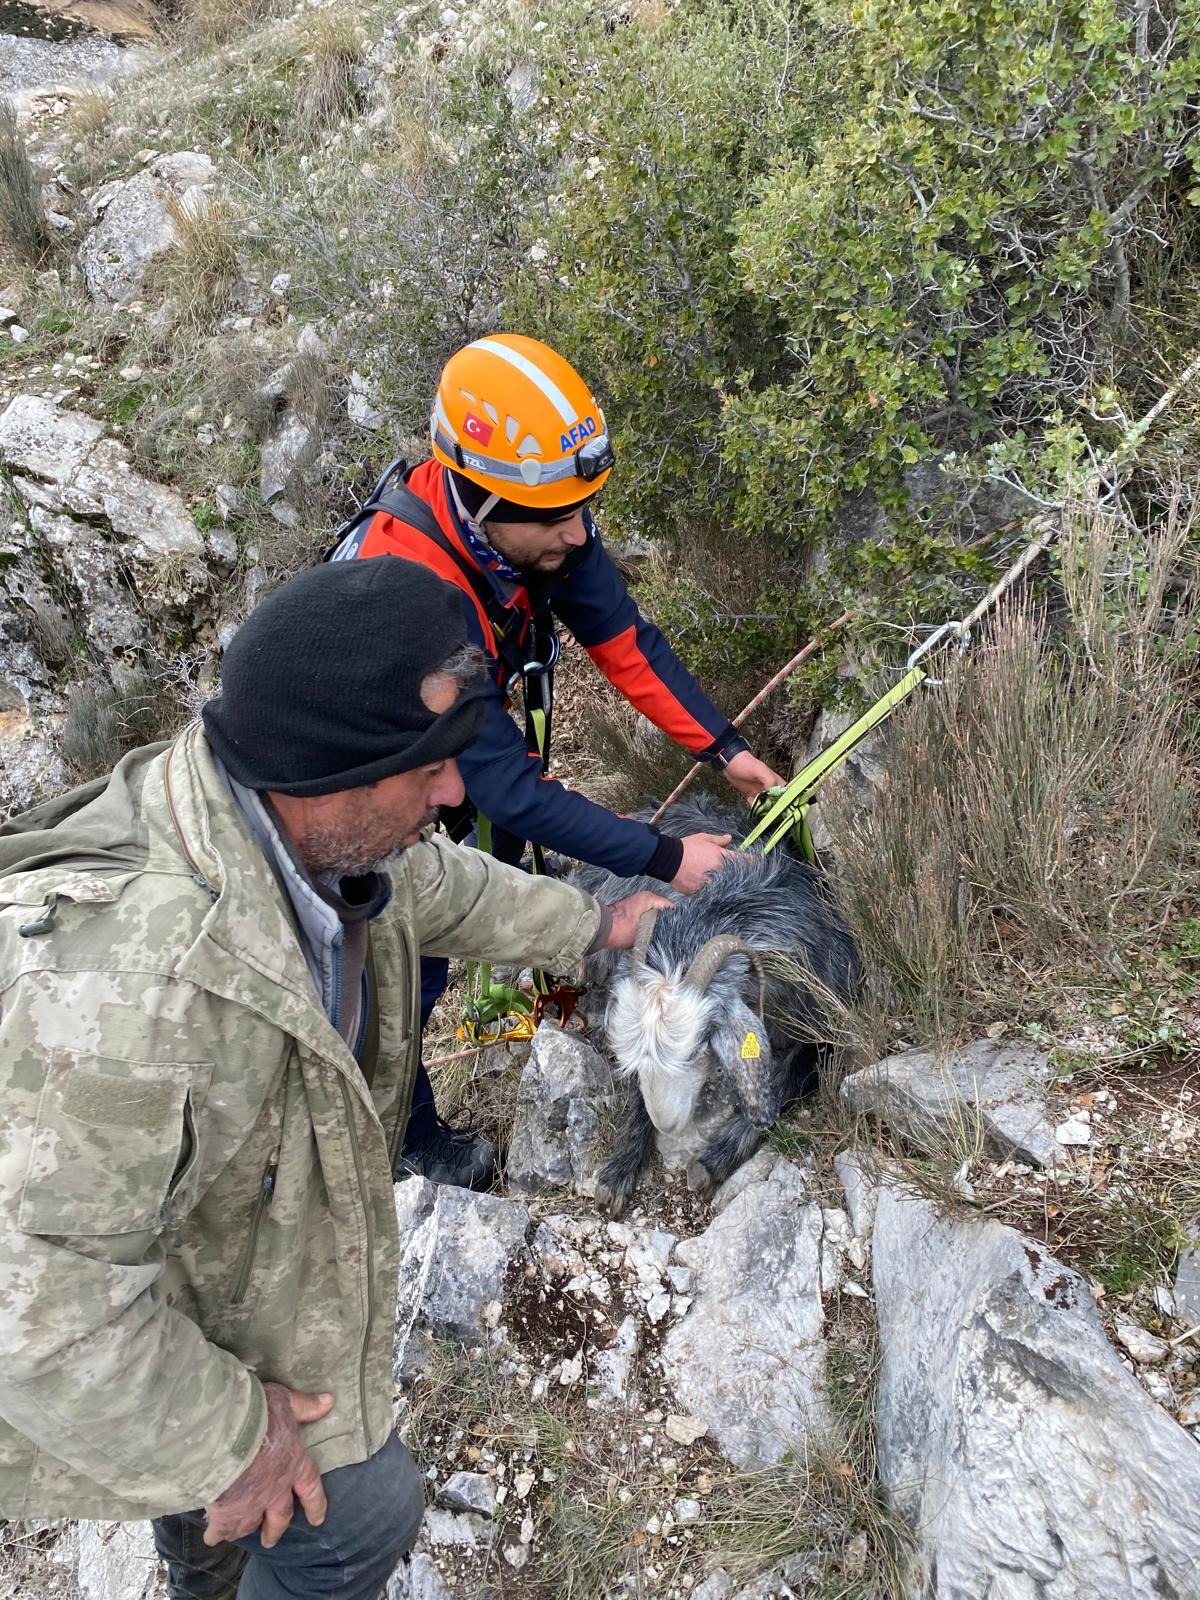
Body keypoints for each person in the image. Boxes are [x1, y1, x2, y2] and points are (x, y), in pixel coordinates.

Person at [0, 556, 667, 1600]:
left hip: (205, 1253)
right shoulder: (126, 992)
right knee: (352, 1518)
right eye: (431, 767)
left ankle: (201, 1563)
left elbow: (442, 887)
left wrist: (597, 925)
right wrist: (231, 1438)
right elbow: (34, 1313)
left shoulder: (319, 830)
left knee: (220, 1518)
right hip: (104, 1313)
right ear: (330, 776)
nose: (455, 790)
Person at [335, 333, 786, 1188]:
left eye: (586, 509)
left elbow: (625, 640)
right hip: (353, 799)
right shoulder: (416, 590)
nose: (580, 535)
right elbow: (509, 787)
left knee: (454, 921)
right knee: (392, 971)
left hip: (439, 769)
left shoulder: (534, 528)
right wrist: (667, 858)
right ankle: (400, 1141)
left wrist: (724, 749)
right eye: (558, 516)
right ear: (475, 496)